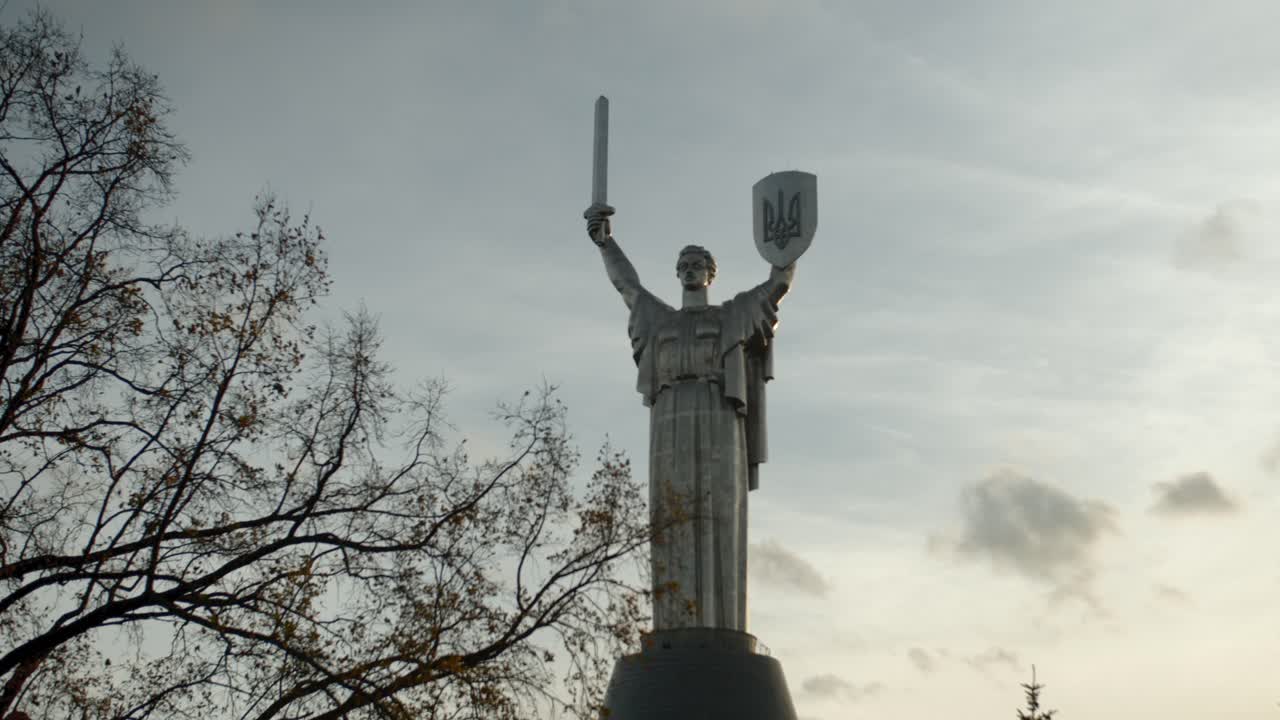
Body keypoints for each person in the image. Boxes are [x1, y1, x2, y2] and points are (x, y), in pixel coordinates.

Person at [586, 204, 795, 632]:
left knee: (719, 511)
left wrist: (788, 248)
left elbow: (777, 284)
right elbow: (627, 286)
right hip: (670, 421)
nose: (689, 270)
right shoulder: (659, 320)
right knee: (671, 515)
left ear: (711, 273)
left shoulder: (730, 315)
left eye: (697, 264)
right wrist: (606, 244)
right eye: (683, 265)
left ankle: (721, 624)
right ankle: (672, 626)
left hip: (718, 414)